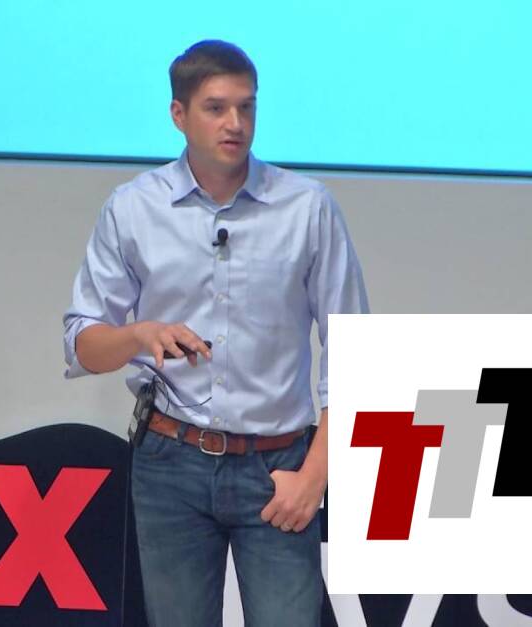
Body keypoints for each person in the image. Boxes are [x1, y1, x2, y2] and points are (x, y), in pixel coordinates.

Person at [62, 40, 369, 626]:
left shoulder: (307, 208)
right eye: (216, 108)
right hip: (170, 462)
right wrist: (139, 335)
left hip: (277, 467)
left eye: (247, 107)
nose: (235, 123)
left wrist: (315, 477)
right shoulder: (133, 208)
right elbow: (83, 343)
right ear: (178, 115)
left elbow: (354, 351)